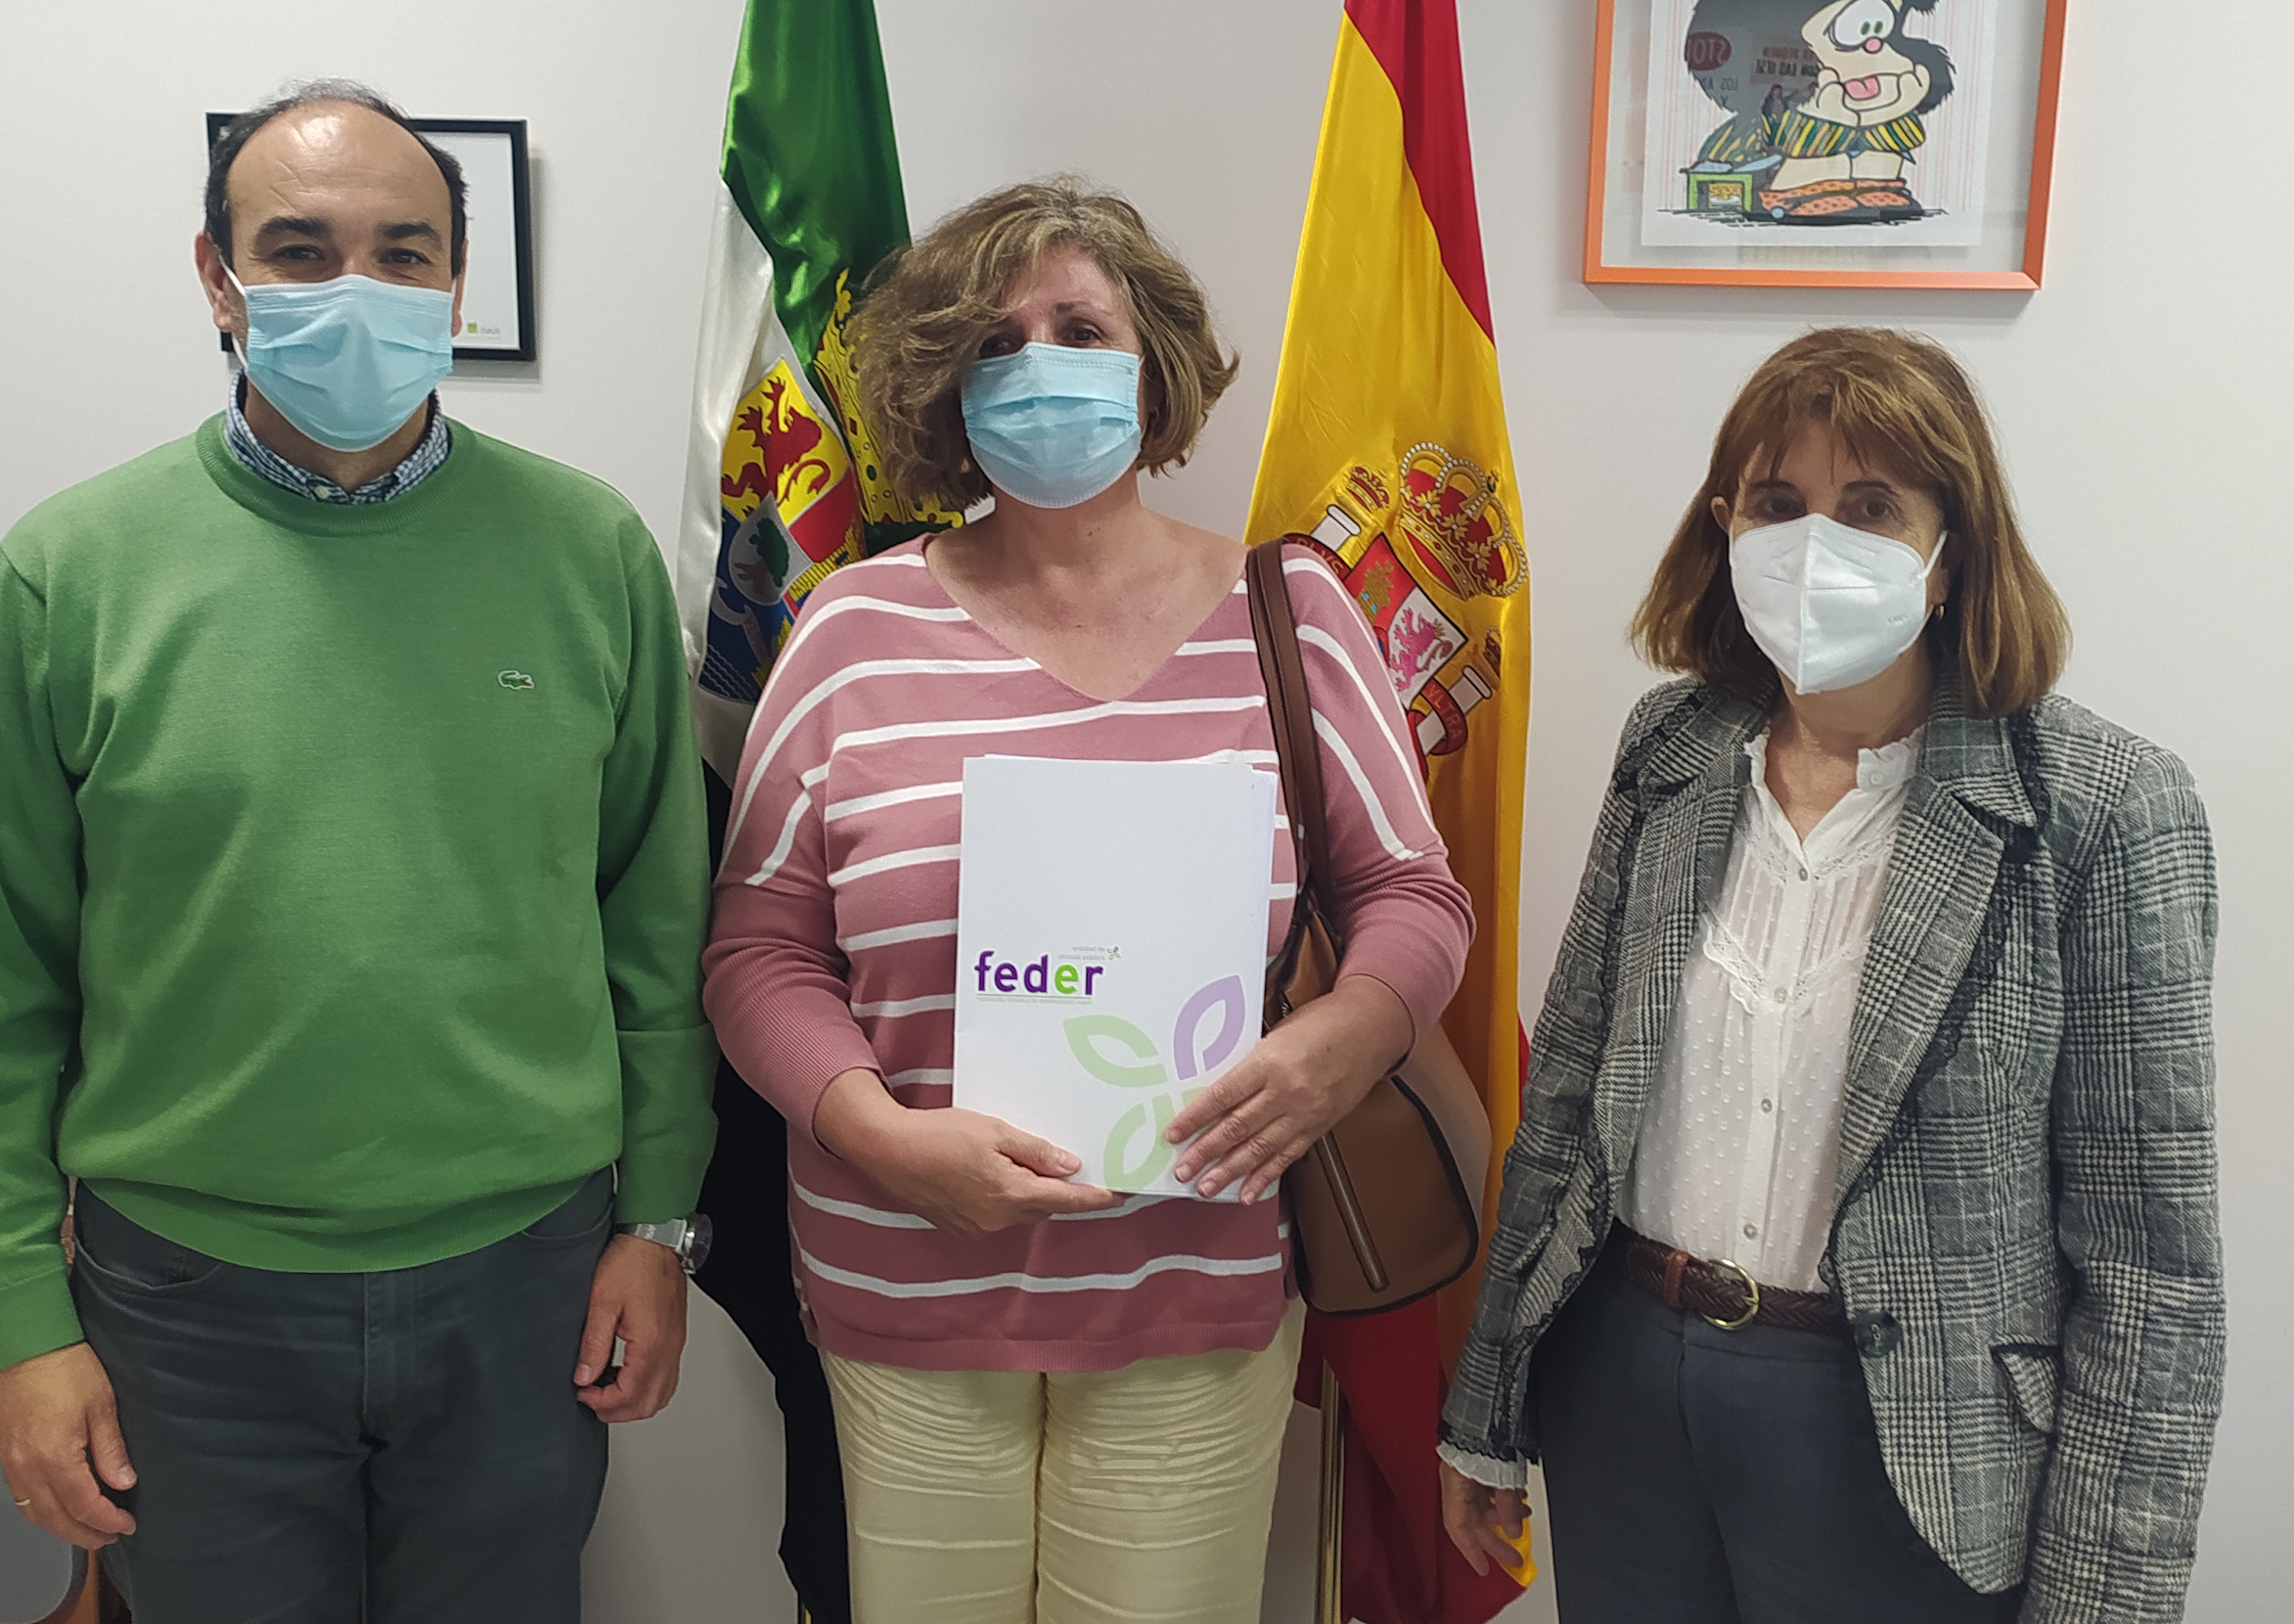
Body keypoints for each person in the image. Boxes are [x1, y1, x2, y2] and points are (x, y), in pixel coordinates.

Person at [0, 80, 718, 1623]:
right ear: (216, 281)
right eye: (299, 249)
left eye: (404, 252)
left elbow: (654, 923)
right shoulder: (64, 576)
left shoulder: (590, 553)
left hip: (525, 1276)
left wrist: (659, 1220)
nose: (357, 288)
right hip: (186, 1305)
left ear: (458, 284)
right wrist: (19, 1322)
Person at [703, 177, 1475, 1624]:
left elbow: (1411, 893)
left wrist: (1346, 1041)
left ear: (1153, 363)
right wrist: (875, 1131)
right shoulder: (850, 629)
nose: (1039, 364)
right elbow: (758, 947)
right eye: (994, 343)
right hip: (906, 1275)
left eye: (1078, 326)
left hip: (1193, 1279)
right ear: (941, 387)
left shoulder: (1291, 611)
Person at [1437, 329, 2226, 1622]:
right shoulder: (1672, 750)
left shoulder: (2105, 810)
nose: (1815, 545)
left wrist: (2108, 1600)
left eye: (1870, 508)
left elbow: (2153, 1273)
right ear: (1724, 527)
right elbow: (1569, 1096)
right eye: (1776, 503)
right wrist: (1486, 1408)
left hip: (1907, 1438)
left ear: (1947, 552)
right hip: (1625, 1385)